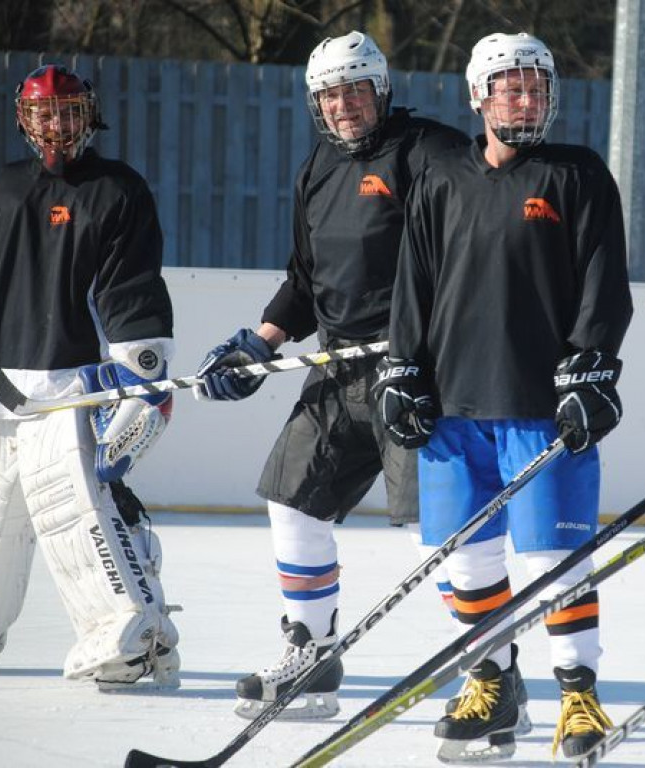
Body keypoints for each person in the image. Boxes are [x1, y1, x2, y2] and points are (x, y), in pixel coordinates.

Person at [194, 31, 469, 720]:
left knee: (436, 528)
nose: (343, 105)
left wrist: (431, 346)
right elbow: (306, 279)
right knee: (293, 500)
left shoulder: (431, 154)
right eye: (329, 94)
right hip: (340, 367)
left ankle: (491, 670)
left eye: (354, 90)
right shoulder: (318, 168)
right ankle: (313, 653)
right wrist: (259, 344)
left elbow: (472, 256)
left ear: (382, 90)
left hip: (417, 368)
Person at [374, 31, 632, 763]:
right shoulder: (442, 178)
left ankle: (579, 696)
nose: (526, 99)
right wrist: (401, 368)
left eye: (536, 87)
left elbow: (604, 287)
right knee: (469, 563)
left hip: (541, 410)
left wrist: (592, 369)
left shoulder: (575, 175)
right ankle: (490, 678)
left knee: (554, 560)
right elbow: (413, 287)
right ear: (479, 96)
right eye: (511, 87)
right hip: (454, 410)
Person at [0, 65, 179, 689]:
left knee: (75, 515)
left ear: (88, 115)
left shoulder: (116, 190)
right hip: (0, 392)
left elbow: (132, 289)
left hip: (72, 389)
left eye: (69, 110)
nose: (56, 123)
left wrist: (141, 375)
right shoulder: (1, 189)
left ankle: (125, 638)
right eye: (44, 112)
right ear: (24, 119)